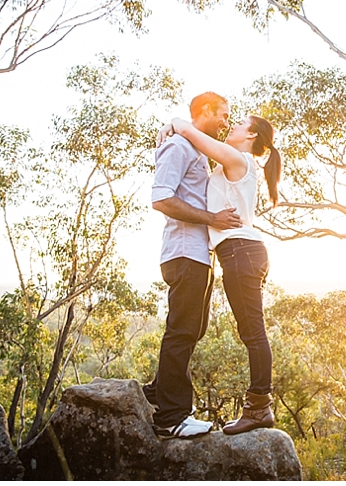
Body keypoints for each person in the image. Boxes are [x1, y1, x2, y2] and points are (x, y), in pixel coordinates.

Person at [162, 112, 282, 435]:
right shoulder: (237, 161)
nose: (233, 126)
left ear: (251, 136)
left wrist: (174, 123)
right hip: (238, 254)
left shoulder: (237, 157)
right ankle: (164, 385)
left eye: (240, 122)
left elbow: (192, 132)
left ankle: (259, 408)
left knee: (253, 332)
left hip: (241, 252)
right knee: (250, 330)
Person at [145, 92, 242, 439]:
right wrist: (211, 217)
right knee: (182, 330)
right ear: (204, 111)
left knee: (194, 329)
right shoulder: (178, 148)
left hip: (200, 255)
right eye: (222, 115)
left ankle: (158, 392)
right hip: (184, 252)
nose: (226, 121)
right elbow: (162, 198)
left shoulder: (196, 149)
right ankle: (171, 417)